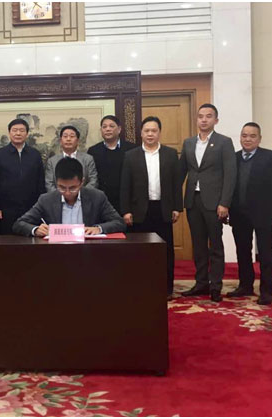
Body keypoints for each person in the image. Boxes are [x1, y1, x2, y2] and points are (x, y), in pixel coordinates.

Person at [120, 116, 183, 300]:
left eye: (154, 131)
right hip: (139, 211)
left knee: (165, 251)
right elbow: (125, 186)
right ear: (141, 133)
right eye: (146, 131)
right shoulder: (131, 155)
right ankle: (141, 286)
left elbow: (176, 183)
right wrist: (126, 210)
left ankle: (166, 288)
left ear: (159, 133)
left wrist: (177, 207)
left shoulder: (170, 154)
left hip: (163, 208)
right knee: (140, 251)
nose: (150, 134)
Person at [180, 104, 237, 302]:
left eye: (208, 116)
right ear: (196, 119)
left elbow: (230, 175)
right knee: (198, 246)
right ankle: (201, 283)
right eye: (201, 116)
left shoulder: (224, 142)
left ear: (216, 120)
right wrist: (174, 201)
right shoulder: (188, 143)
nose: (204, 120)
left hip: (215, 203)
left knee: (215, 245)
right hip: (193, 201)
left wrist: (225, 203)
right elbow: (181, 172)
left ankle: (215, 286)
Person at [227, 122, 272, 305]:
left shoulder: (270, 157)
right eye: (244, 135)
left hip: (263, 213)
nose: (248, 139)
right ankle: (245, 285)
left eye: (252, 136)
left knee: (266, 253)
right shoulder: (234, 158)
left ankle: (267, 291)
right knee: (243, 251)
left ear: (259, 138)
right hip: (239, 213)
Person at [13, 157, 125, 237]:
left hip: (88, 250)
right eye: (61, 187)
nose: (67, 193)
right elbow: (19, 224)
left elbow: (119, 222)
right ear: (56, 182)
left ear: (82, 182)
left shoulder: (97, 197)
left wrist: (98, 229)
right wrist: (36, 229)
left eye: (72, 188)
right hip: (57, 252)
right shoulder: (46, 200)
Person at [0, 118, 46, 234]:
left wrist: (42, 206)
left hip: (31, 207)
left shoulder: (34, 154)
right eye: (14, 130)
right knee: (7, 240)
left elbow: (40, 182)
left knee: (30, 238)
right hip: (5, 208)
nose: (18, 133)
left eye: (22, 130)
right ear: (9, 133)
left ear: (27, 133)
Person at [87, 115, 138, 214]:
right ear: (101, 130)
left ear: (119, 129)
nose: (108, 129)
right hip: (101, 201)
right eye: (104, 127)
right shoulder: (93, 151)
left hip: (126, 200)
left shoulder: (131, 149)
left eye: (111, 126)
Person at [45, 125, 98, 192]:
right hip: (58, 197)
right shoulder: (52, 161)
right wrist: (62, 195)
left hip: (83, 196)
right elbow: (49, 183)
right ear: (61, 141)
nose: (68, 139)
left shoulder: (88, 159)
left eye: (72, 136)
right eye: (65, 136)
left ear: (77, 141)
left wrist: (78, 193)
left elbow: (93, 181)